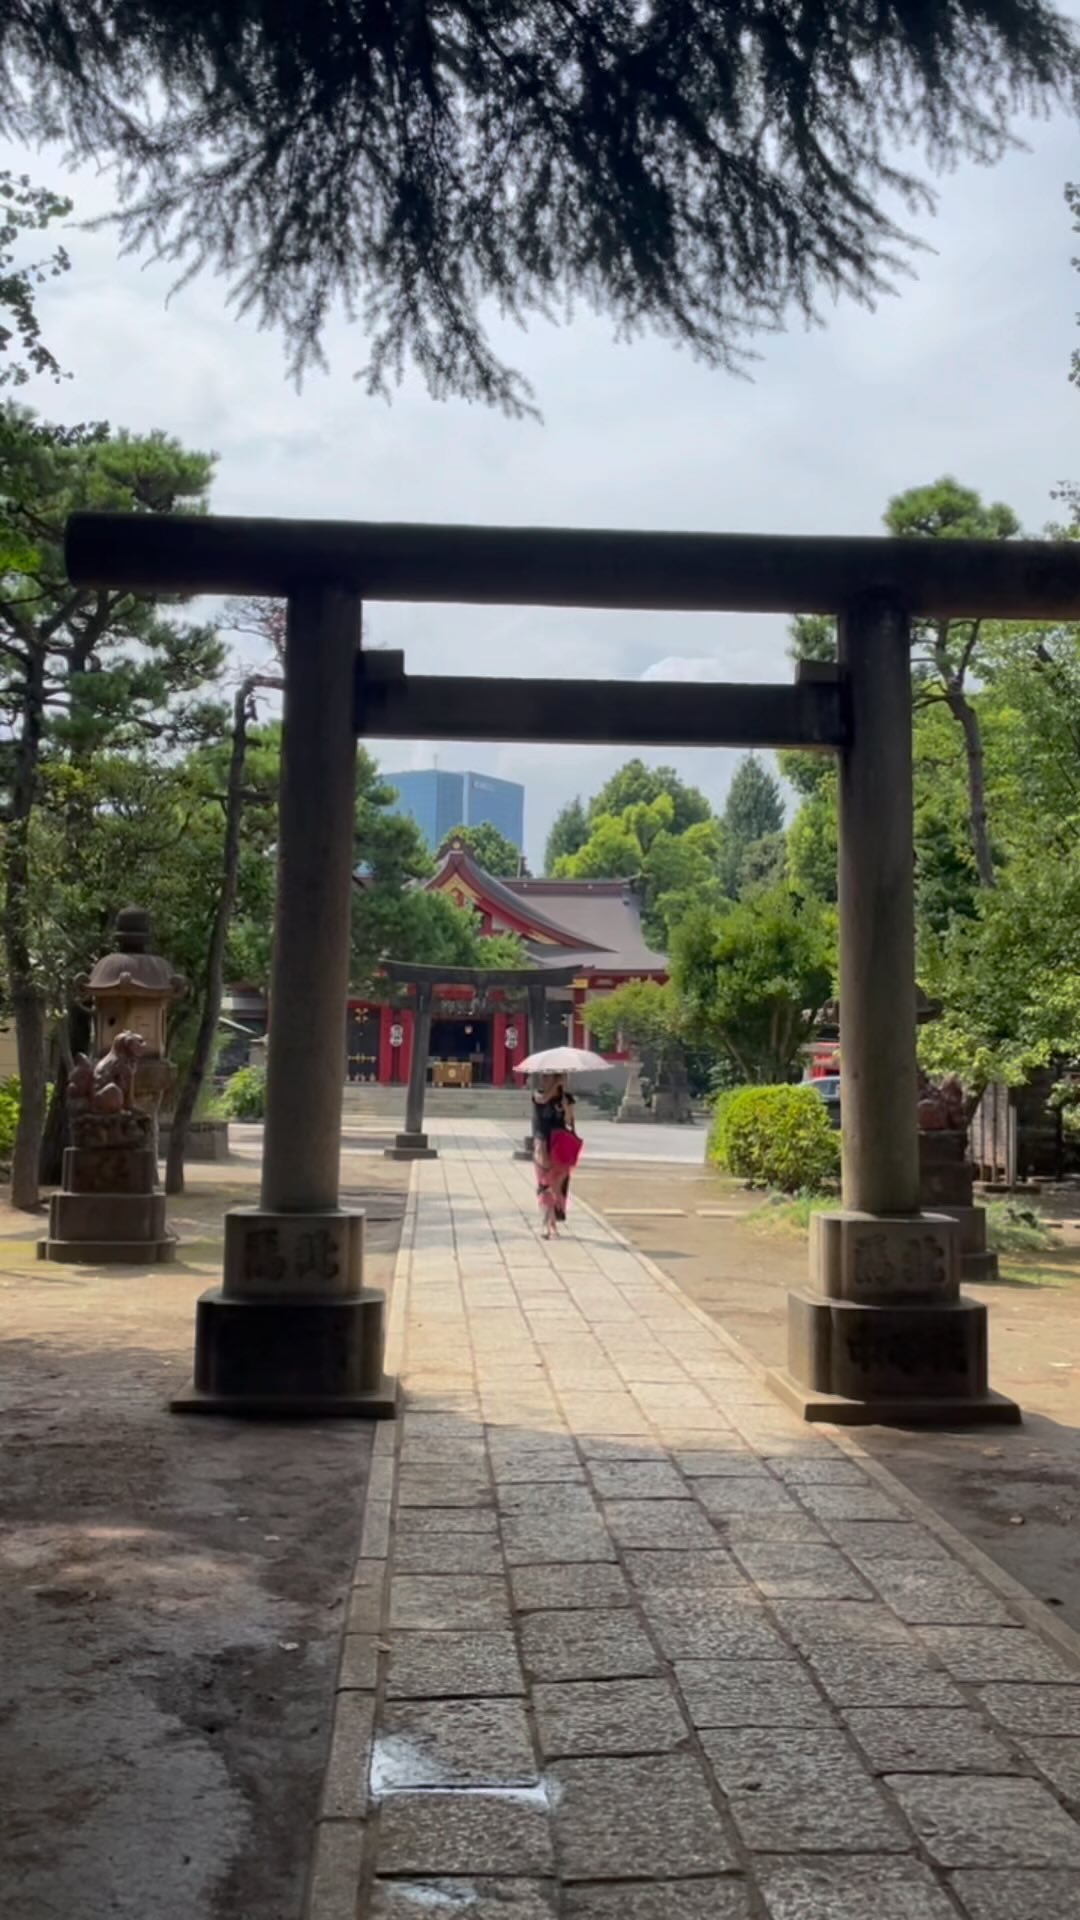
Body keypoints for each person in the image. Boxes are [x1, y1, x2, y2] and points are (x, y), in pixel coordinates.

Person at [531, 1073, 576, 1237]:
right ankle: (546, 1223)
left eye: (551, 1077)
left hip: (561, 1143)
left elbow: (570, 1122)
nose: (546, 1080)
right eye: (545, 1077)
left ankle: (554, 1220)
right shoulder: (538, 1093)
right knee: (545, 1182)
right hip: (543, 1142)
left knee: (558, 1185)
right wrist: (555, 1087)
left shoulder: (566, 1097)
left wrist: (566, 1107)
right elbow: (542, 1100)